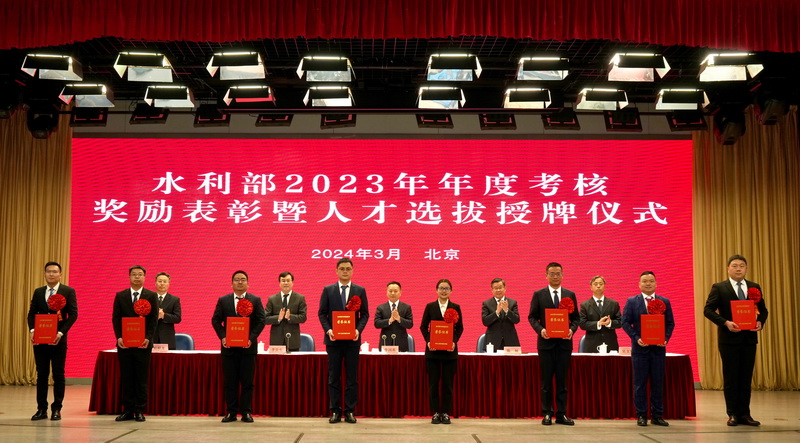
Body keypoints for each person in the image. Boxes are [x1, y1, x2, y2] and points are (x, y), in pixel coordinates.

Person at [703, 255, 768, 427]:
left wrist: (760, 322)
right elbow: (708, 310)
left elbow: (763, 310)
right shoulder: (719, 287)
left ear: (746, 268)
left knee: (746, 378)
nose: (738, 269)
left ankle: (745, 414)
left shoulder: (754, 287)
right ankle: (732, 414)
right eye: (734, 266)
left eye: (741, 266)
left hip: (749, 339)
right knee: (731, 377)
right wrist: (725, 322)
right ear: (728, 268)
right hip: (728, 340)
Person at [318, 258, 369, 424]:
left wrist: (358, 330)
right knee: (333, 377)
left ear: (352, 271)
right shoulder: (328, 290)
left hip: (352, 341)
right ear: (336, 271)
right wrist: (329, 330)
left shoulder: (359, 290)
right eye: (342, 269)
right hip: (333, 341)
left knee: (352, 377)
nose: (345, 271)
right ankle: (335, 411)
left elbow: (365, 314)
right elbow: (322, 313)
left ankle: (349, 411)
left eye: (348, 269)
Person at [211, 270, 267, 423]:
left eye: (243, 279)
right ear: (232, 283)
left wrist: (251, 338)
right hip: (229, 349)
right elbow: (216, 320)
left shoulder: (255, 300)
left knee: (247, 382)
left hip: (248, 348)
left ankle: (246, 412)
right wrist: (223, 337)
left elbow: (261, 321)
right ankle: (231, 412)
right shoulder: (224, 300)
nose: (240, 282)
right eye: (237, 279)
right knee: (230, 382)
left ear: (248, 283)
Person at [621, 271, 675, 427]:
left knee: (658, 383)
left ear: (656, 283)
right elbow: (625, 322)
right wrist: (636, 337)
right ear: (639, 284)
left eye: (651, 281)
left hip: (658, 350)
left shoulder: (665, 301)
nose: (648, 283)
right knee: (640, 384)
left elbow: (670, 323)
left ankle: (657, 415)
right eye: (645, 281)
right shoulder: (632, 301)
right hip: (640, 350)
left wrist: (665, 338)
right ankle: (641, 415)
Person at [528, 262, 578, 426]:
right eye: (552, 274)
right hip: (546, 344)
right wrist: (540, 330)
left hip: (564, 344)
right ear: (546, 275)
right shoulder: (539, 294)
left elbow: (576, 318)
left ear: (562, 275)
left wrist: (571, 330)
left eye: (558, 273)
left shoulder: (570, 294)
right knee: (546, 381)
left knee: (562, 381)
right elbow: (532, 317)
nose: (555, 276)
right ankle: (547, 413)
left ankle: (561, 414)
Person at [27, 261, 78, 421]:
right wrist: (32, 331)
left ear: (60, 274)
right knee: (41, 374)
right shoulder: (38, 292)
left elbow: (73, 314)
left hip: (58, 340)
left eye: (55, 271)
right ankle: (41, 409)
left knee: (58, 374)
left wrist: (61, 333)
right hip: (40, 340)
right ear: (44, 274)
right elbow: (31, 314)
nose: (51, 274)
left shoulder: (68, 291)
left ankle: (57, 408)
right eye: (48, 271)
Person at [112, 265, 158, 422]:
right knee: (127, 378)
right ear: (129, 277)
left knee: (141, 378)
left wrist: (148, 338)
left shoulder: (151, 295)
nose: (137, 277)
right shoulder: (121, 295)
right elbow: (116, 318)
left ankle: (139, 410)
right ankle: (128, 410)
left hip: (143, 344)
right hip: (124, 344)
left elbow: (153, 319)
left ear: (144, 277)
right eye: (134, 274)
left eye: (140, 274)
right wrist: (119, 337)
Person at [420, 278, 464, 425]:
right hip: (432, 351)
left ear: (451, 291)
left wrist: (453, 341)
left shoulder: (455, 307)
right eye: (441, 288)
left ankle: (445, 412)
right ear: (436, 290)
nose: (444, 291)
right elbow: (423, 326)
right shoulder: (430, 306)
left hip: (449, 352)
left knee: (447, 384)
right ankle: (435, 412)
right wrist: (428, 341)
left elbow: (460, 328)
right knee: (433, 384)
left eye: (446, 288)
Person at [264, 271, 307, 351]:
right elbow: (265, 319)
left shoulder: (300, 298)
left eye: (288, 280)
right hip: (276, 341)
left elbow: (303, 317)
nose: (286, 283)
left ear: (292, 283)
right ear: (279, 283)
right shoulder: (272, 299)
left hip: (293, 340)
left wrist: (290, 317)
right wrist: (278, 318)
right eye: (283, 281)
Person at [578, 276, 621, 353]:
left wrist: (610, 323)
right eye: (595, 284)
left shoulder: (613, 304)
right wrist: (598, 323)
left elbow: (620, 322)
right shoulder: (585, 305)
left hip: (610, 343)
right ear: (591, 287)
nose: (598, 286)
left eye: (601, 284)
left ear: (605, 286)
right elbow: (582, 324)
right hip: (591, 344)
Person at [481, 278, 520, 351]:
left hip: (510, 341)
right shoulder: (486, 303)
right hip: (492, 342)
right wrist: (497, 312)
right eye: (496, 288)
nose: (498, 290)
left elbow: (516, 320)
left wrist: (507, 310)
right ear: (492, 290)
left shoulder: (512, 302)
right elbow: (485, 321)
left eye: (500, 287)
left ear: (505, 288)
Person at [373, 281, 413, 351]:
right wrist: (389, 320)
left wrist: (399, 319)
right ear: (386, 292)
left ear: (400, 292)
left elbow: (410, 324)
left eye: (395, 291)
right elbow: (377, 324)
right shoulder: (381, 308)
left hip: (401, 343)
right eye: (390, 291)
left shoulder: (406, 307)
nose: (393, 293)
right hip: (385, 342)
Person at [153, 272, 182, 350]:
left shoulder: (174, 299)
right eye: (160, 281)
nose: (162, 284)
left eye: (165, 282)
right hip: (151, 337)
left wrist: (163, 315)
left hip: (167, 338)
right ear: (155, 283)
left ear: (168, 284)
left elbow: (177, 318)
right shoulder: (149, 298)